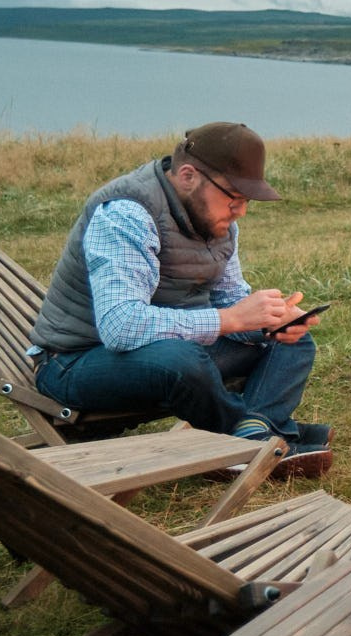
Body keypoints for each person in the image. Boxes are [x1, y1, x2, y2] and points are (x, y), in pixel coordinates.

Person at [28, 121, 332, 477]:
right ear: (188, 176)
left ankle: (256, 428)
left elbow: (229, 300)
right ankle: (258, 442)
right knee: (179, 359)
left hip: (171, 352)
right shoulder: (127, 214)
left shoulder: (217, 221)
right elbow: (120, 327)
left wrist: (268, 321)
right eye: (234, 197)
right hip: (76, 361)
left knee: (292, 343)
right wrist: (231, 320)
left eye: (246, 200)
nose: (241, 211)